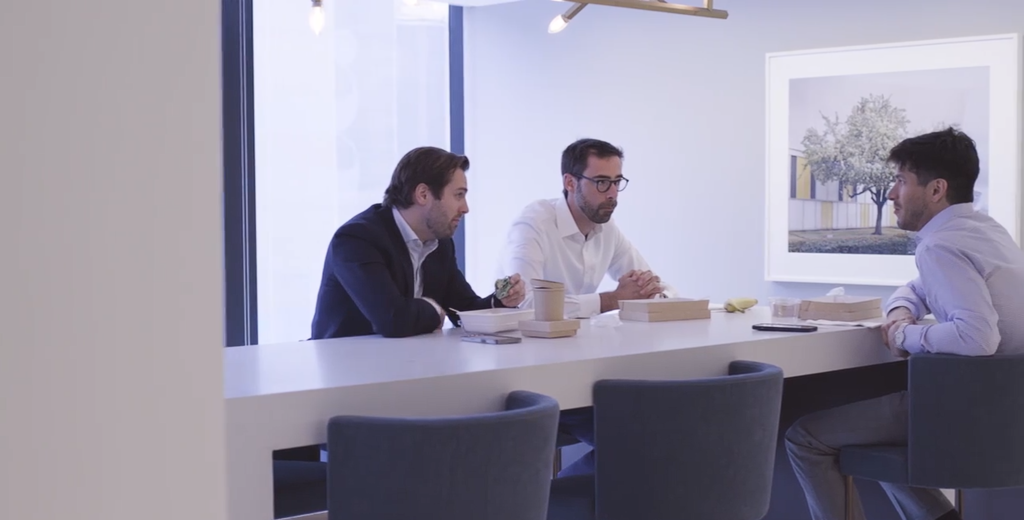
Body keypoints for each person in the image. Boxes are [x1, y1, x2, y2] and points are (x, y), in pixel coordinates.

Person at [785, 128, 1024, 520]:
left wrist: (904, 334)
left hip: (960, 406)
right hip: (1006, 411)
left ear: (936, 189)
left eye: (901, 181)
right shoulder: (984, 231)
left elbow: (977, 337)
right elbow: (917, 288)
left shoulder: (941, 245)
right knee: (877, 438)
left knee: (805, 438)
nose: (892, 193)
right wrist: (900, 310)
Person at [499, 138, 678, 477]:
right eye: (601, 182)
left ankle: (559, 497)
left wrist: (657, 294)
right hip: (531, 379)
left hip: (582, 373)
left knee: (662, 429)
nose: (612, 194)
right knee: (643, 438)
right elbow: (525, 304)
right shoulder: (534, 223)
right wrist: (610, 300)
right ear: (570, 182)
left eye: (617, 182)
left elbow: (651, 284)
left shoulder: (607, 229)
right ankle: (554, 501)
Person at [310, 146, 525, 339]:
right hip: (348, 366)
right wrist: (432, 309)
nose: (465, 208)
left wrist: (499, 301)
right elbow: (392, 320)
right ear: (423, 194)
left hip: (406, 362)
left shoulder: (440, 243)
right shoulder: (357, 239)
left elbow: (463, 310)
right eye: (458, 195)